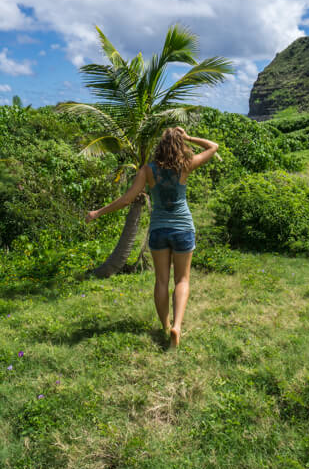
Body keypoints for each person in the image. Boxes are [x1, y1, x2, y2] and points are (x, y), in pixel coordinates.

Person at [85, 127, 218, 347]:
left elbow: (127, 199)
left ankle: (165, 326)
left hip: (158, 231)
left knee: (161, 280)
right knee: (182, 280)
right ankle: (177, 326)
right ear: (179, 145)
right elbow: (213, 146)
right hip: (183, 228)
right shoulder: (186, 165)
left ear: (160, 146)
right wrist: (188, 137)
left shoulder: (148, 170)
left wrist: (98, 212)